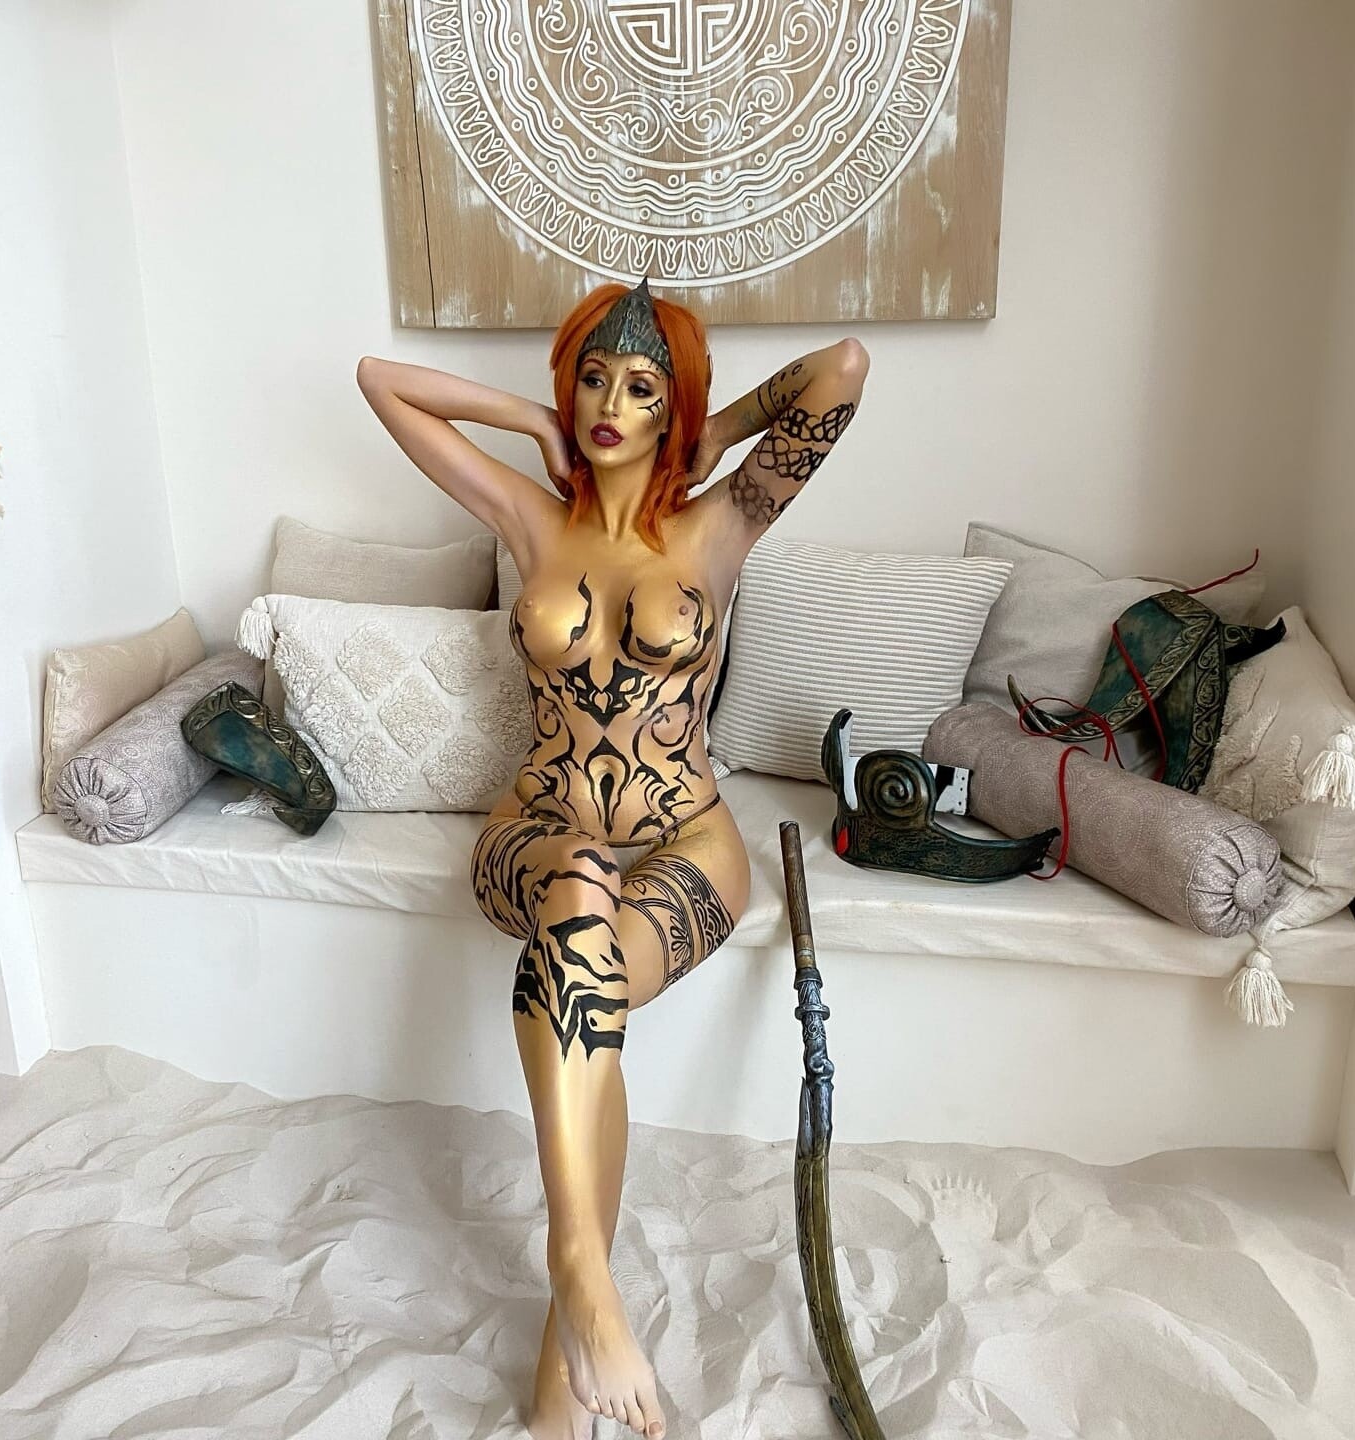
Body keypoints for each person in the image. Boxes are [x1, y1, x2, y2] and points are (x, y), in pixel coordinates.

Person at [357, 281, 867, 1440]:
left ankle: (569, 1324)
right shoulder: (531, 516)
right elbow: (381, 384)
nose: (609, 403)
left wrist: (710, 429)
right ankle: (584, 1276)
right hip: (537, 832)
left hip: (690, 841)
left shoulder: (723, 523)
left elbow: (841, 369)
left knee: (585, 991)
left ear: (670, 407)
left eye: (642, 388)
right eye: (593, 377)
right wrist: (529, 423)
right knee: (580, 902)